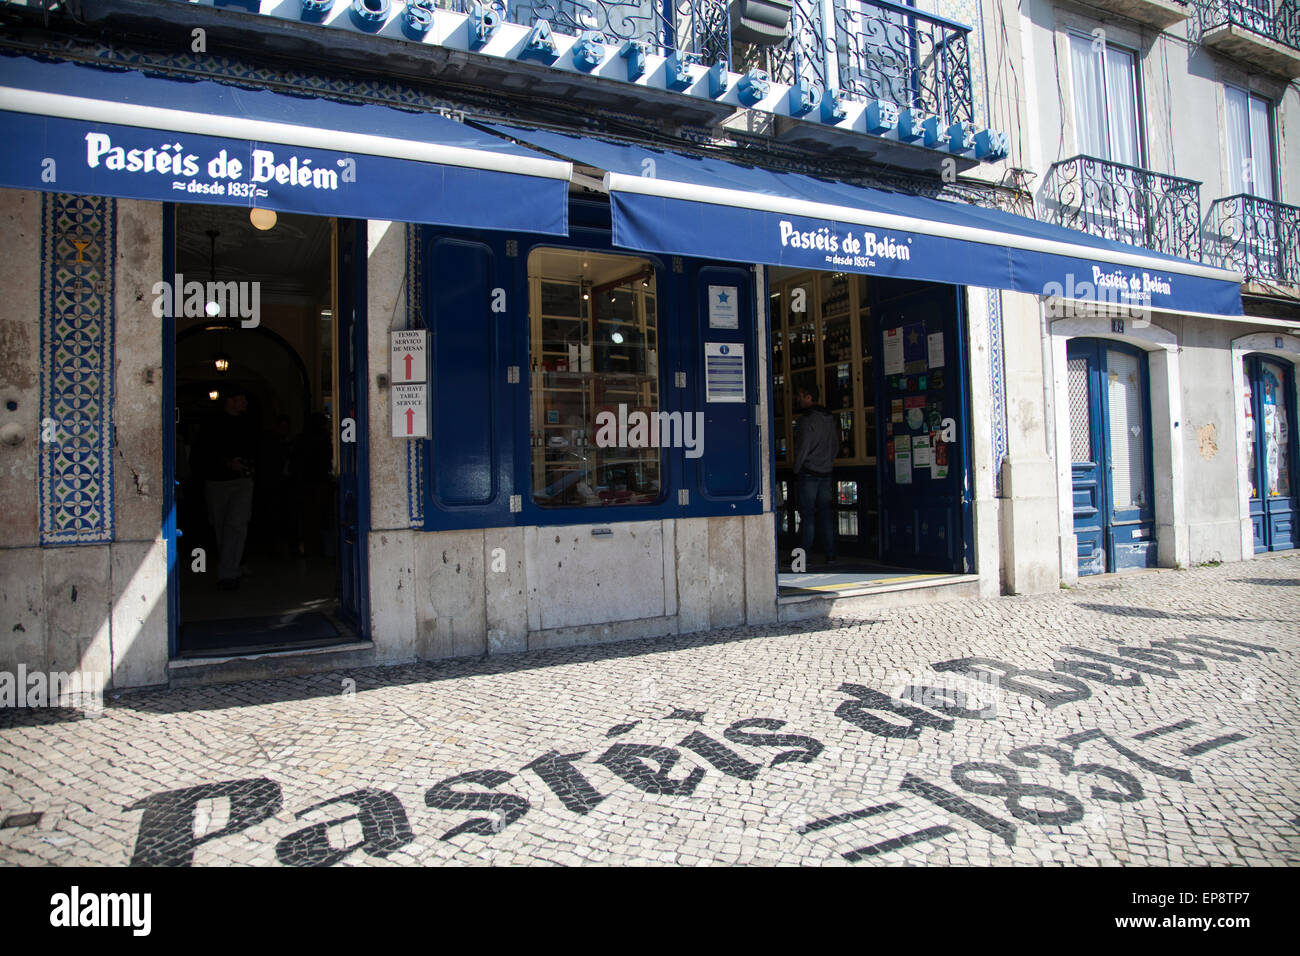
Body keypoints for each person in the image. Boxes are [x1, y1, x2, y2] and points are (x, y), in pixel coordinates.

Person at [196, 388, 258, 590]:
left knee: (237, 525)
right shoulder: (211, 424)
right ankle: (231, 565)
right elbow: (202, 452)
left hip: (242, 481)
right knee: (221, 525)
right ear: (231, 401)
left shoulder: (248, 424)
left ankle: (228, 573)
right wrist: (226, 463)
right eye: (242, 399)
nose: (245, 404)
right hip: (217, 482)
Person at [793, 383, 838, 567]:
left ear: (809, 397)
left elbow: (803, 447)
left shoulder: (806, 420)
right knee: (826, 514)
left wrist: (797, 468)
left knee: (808, 515)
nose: (798, 399)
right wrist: (828, 462)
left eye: (800, 395)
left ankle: (804, 557)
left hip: (809, 473)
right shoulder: (830, 418)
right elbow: (835, 445)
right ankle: (831, 554)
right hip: (827, 472)